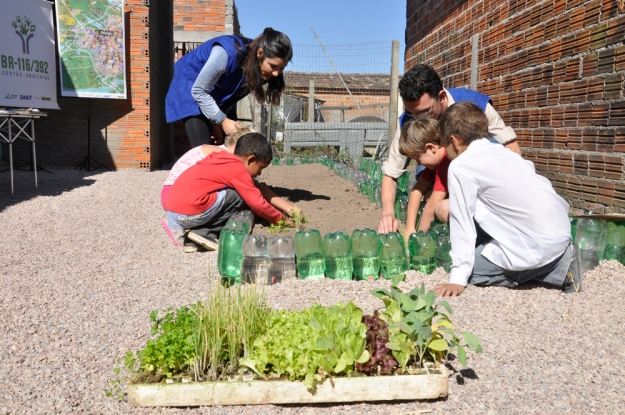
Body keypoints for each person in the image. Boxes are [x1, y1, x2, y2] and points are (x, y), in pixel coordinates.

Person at [433, 102, 581, 297]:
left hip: (538, 246)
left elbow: (462, 222)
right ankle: (556, 260)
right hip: (560, 233)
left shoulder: (461, 165)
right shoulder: (505, 153)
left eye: (445, 145)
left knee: (473, 271)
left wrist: (458, 277)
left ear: (454, 141)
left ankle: (559, 269)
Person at [378, 64, 521, 235]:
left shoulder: (475, 105)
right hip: (437, 168)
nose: (415, 119)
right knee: (432, 198)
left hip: (481, 170)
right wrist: (388, 213)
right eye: (411, 113)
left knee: (444, 207)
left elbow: (511, 148)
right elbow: (391, 172)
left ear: (441, 96)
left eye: (423, 113)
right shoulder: (408, 120)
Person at [165, 133, 296, 253]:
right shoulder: (238, 170)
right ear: (250, 160)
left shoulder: (220, 157)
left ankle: (190, 240)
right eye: (260, 167)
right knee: (239, 196)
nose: (259, 173)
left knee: (227, 194)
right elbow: (257, 203)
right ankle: (203, 233)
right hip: (190, 211)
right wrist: (281, 219)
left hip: (173, 213)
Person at [166, 28, 292, 147]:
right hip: (191, 85)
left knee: (221, 147)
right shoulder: (227, 54)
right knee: (204, 149)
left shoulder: (263, 72)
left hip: (214, 94)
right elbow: (198, 91)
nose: (276, 73)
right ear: (260, 53)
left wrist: (217, 122)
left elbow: (231, 97)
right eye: (273, 66)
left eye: (282, 68)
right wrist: (222, 120)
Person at [397, 117, 450, 238]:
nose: (419, 164)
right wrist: (410, 227)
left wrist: (418, 239)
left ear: (431, 148)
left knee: (440, 207)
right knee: (428, 195)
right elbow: (417, 191)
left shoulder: (446, 162)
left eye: (417, 158)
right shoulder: (435, 164)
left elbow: (431, 209)